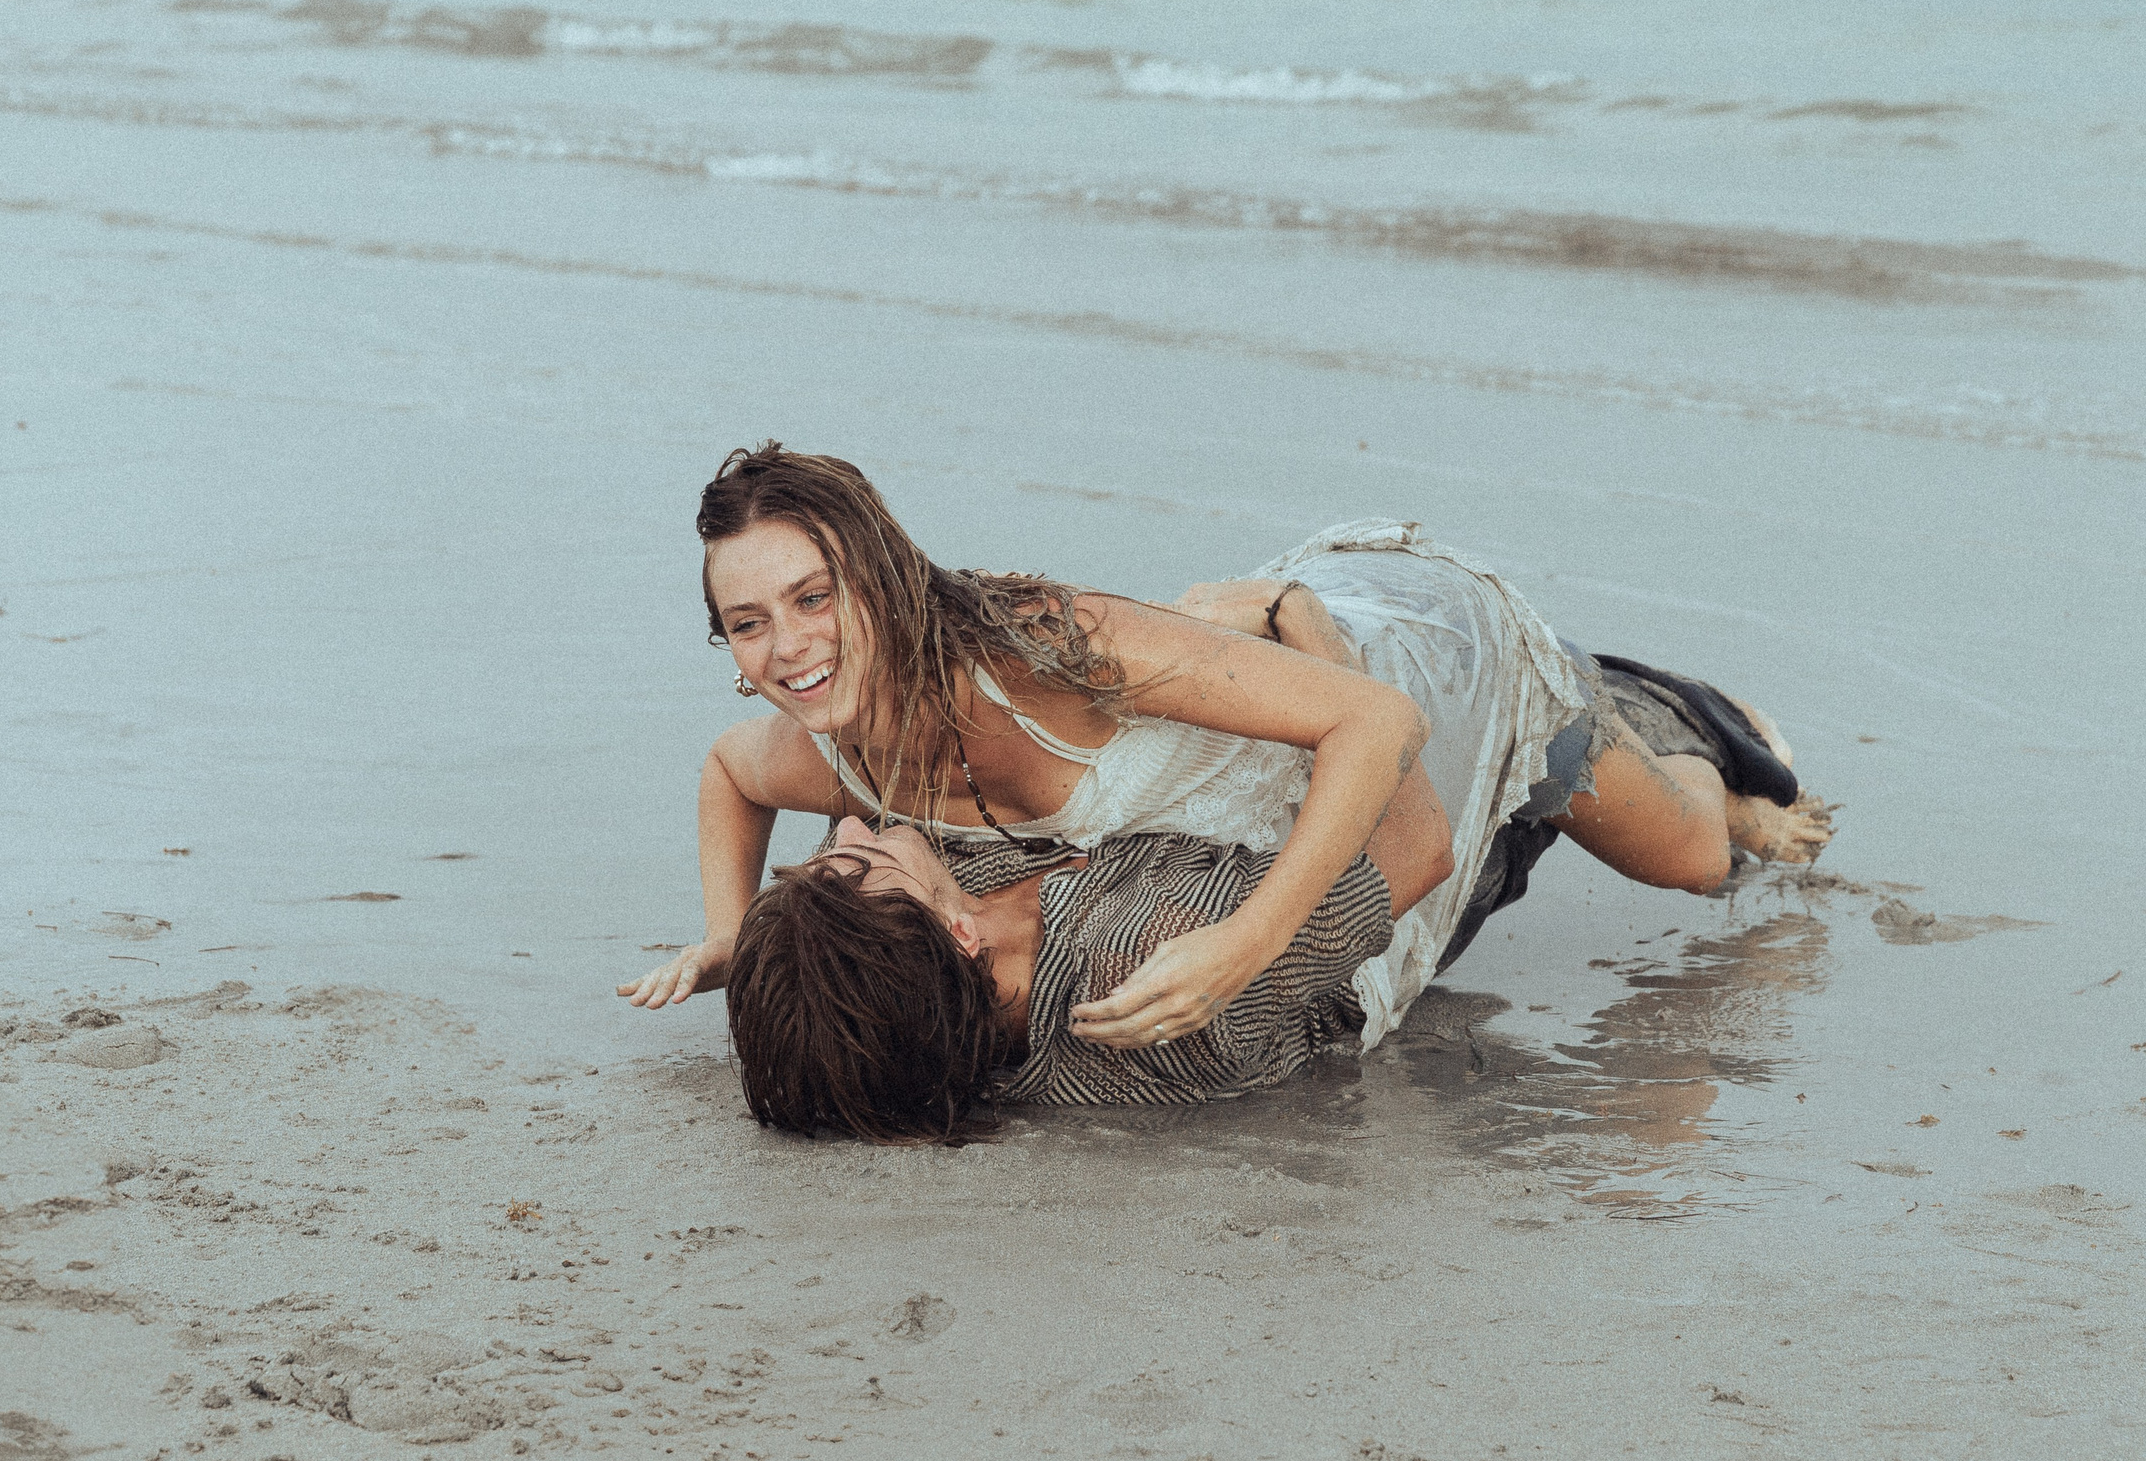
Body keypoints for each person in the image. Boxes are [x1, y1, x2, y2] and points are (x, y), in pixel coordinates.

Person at [620, 444, 1831, 1053]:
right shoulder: (845, 752)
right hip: (1333, 821)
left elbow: (1375, 723)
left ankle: (1694, 751)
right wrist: (732, 936)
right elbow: (730, 773)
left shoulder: (1043, 648)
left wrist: (1248, 943)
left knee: (1690, 860)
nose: (789, 648)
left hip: (1399, 692)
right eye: (749, 621)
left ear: (880, 576)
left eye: (814, 597)